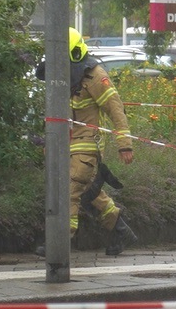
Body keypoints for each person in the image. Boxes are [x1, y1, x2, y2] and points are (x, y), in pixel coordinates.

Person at [45, 29, 137, 255]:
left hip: (88, 144)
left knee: (70, 189)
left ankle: (59, 246)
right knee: (89, 194)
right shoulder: (66, 75)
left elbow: (116, 109)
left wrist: (124, 144)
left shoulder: (95, 76)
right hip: (71, 143)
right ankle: (119, 229)